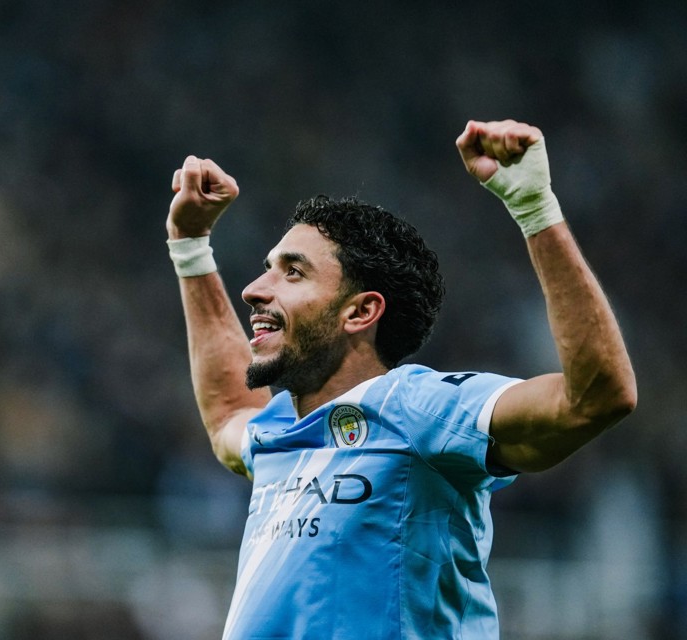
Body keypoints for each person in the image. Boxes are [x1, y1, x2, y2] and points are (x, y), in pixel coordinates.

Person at [164, 119, 637, 639]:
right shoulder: (279, 430)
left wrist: (535, 210)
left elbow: (595, 398)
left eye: (292, 272)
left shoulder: (418, 408)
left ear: (361, 311)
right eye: (268, 268)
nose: (254, 289)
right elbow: (229, 413)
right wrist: (190, 246)